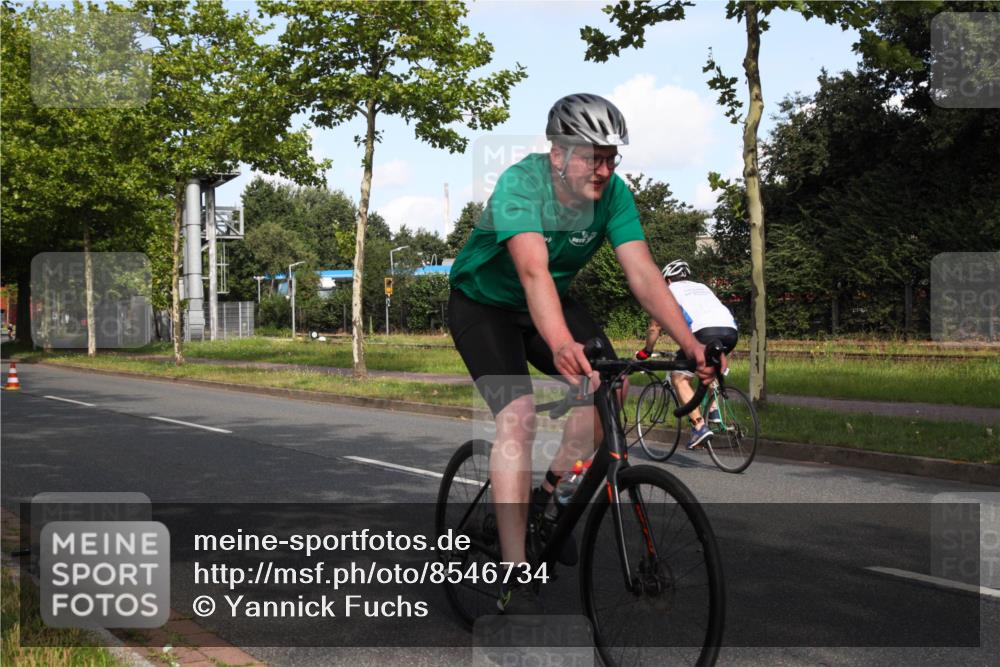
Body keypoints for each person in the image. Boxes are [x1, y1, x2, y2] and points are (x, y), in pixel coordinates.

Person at [447, 94, 718, 616]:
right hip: (483, 305)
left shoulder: (613, 195)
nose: (605, 168)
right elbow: (533, 272)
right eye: (592, 156)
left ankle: (550, 496)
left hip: (549, 303)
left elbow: (642, 274)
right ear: (557, 154)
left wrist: (691, 343)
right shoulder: (520, 185)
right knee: (519, 417)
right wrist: (561, 344)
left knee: (610, 387)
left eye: (611, 156)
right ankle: (512, 565)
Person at [635, 259, 738, 449]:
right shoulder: (703, 287)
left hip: (704, 332)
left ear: (666, 280)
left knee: (679, 378)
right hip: (730, 331)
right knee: (707, 367)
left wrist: (646, 351)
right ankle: (714, 411)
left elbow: (654, 327)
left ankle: (699, 427)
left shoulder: (667, 291)